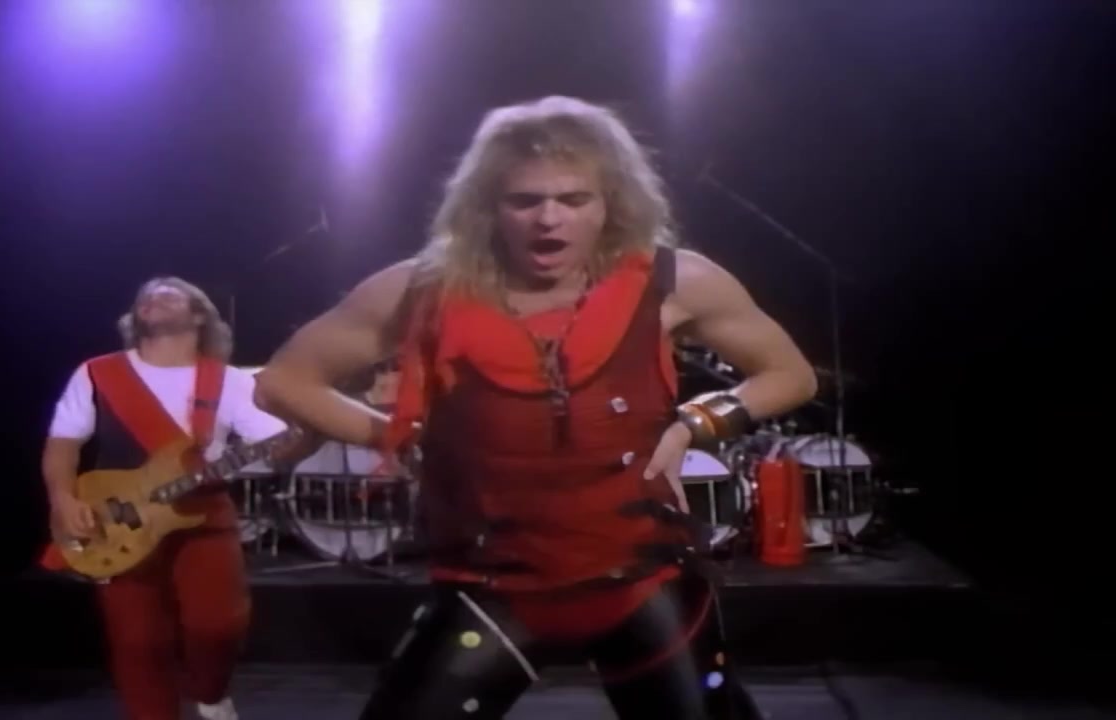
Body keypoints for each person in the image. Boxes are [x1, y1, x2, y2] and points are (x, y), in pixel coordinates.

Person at [254, 96, 818, 719]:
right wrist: (402, 437)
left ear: (610, 203)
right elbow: (284, 381)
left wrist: (693, 424)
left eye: (573, 200)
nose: (549, 219)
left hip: (645, 581)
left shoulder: (677, 281)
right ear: (488, 207)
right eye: (525, 201)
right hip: (492, 587)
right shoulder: (419, 290)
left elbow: (790, 375)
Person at [41, 277, 293, 720]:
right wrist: (62, 499)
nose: (155, 295)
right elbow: (62, 444)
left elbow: (278, 442)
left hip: (204, 515)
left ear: (199, 316)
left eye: (171, 293)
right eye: (147, 295)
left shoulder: (229, 381)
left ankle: (210, 694)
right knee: (137, 641)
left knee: (219, 626)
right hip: (119, 520)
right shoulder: (97, 372)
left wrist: (305, 432)